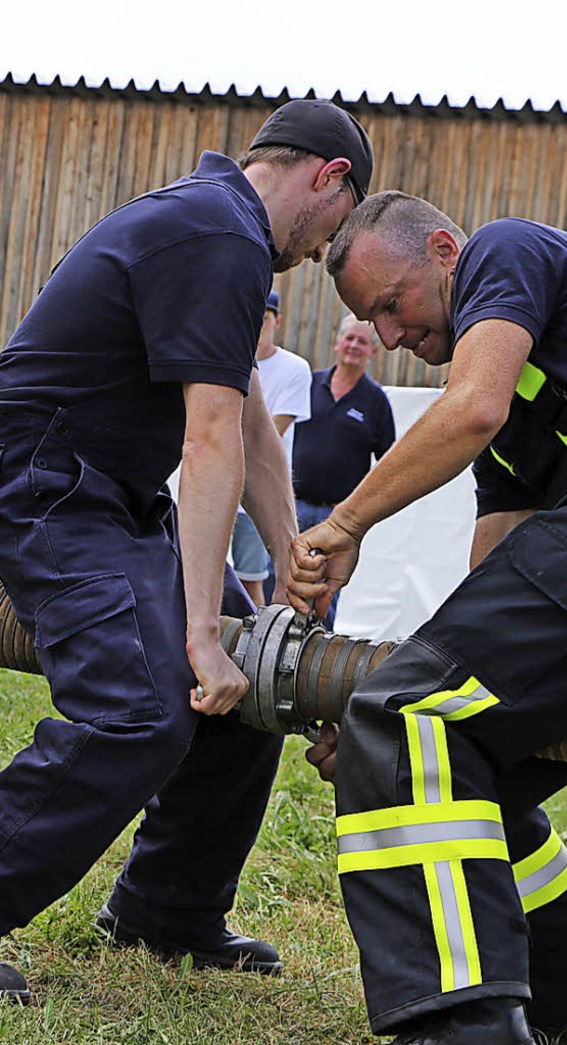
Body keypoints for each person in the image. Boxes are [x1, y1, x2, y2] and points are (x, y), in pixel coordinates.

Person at [0, 97, 373, 1002]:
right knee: (138, 710)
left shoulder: (217, 224)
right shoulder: (221, 233)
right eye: (335, 227)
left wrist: (290, 552)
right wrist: (199, 630)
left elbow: (244, 414)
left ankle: (165, 906)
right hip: (47, 481)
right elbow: (207, 441)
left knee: (253, 686)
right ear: (326, 177)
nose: (323, 253)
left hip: (106, 490)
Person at [287, 191, 567, 1044]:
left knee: (406, 721)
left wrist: (341, 522)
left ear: (445, 251)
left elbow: (471, 406)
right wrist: (401, 711)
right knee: (446, 747)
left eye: (390, 304)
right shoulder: (520, 413)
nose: (391, 333)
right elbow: (496, 571)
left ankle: (467, 1030)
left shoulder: (504, 251)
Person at [290, 312, 395, 627]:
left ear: (373, 352)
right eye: (349, 338)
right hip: (291, 507)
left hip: (335, 519)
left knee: (323, 595)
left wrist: (355, 509)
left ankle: (315, 659)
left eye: (362, 342)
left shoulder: (375, 402)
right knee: (278, 580)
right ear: (337, 342)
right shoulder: (309, 384)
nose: (353, 345)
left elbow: (389, 463)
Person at [231, 288, 311, 606]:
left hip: (258, 496)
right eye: (255, 316)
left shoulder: (295, 369)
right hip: (221, 493)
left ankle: (262, 647)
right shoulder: (232, 358)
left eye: (265, 318)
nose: (258, 325)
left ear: (276, 322)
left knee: (251, 583)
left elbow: (265, 433)